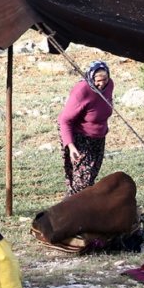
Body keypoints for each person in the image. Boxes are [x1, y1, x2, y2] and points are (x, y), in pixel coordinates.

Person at [58, 59, 114, 196]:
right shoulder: (82, 91)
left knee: (90, 177)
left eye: (105, 79)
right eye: (97, 80)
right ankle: (71, 211)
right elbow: (64, 120)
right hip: (78, 137)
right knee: (82, 182)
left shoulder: (110, 85)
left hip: (98, 137)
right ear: (90, 76)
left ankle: (76, 209)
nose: (101, 84)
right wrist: (71, 147)